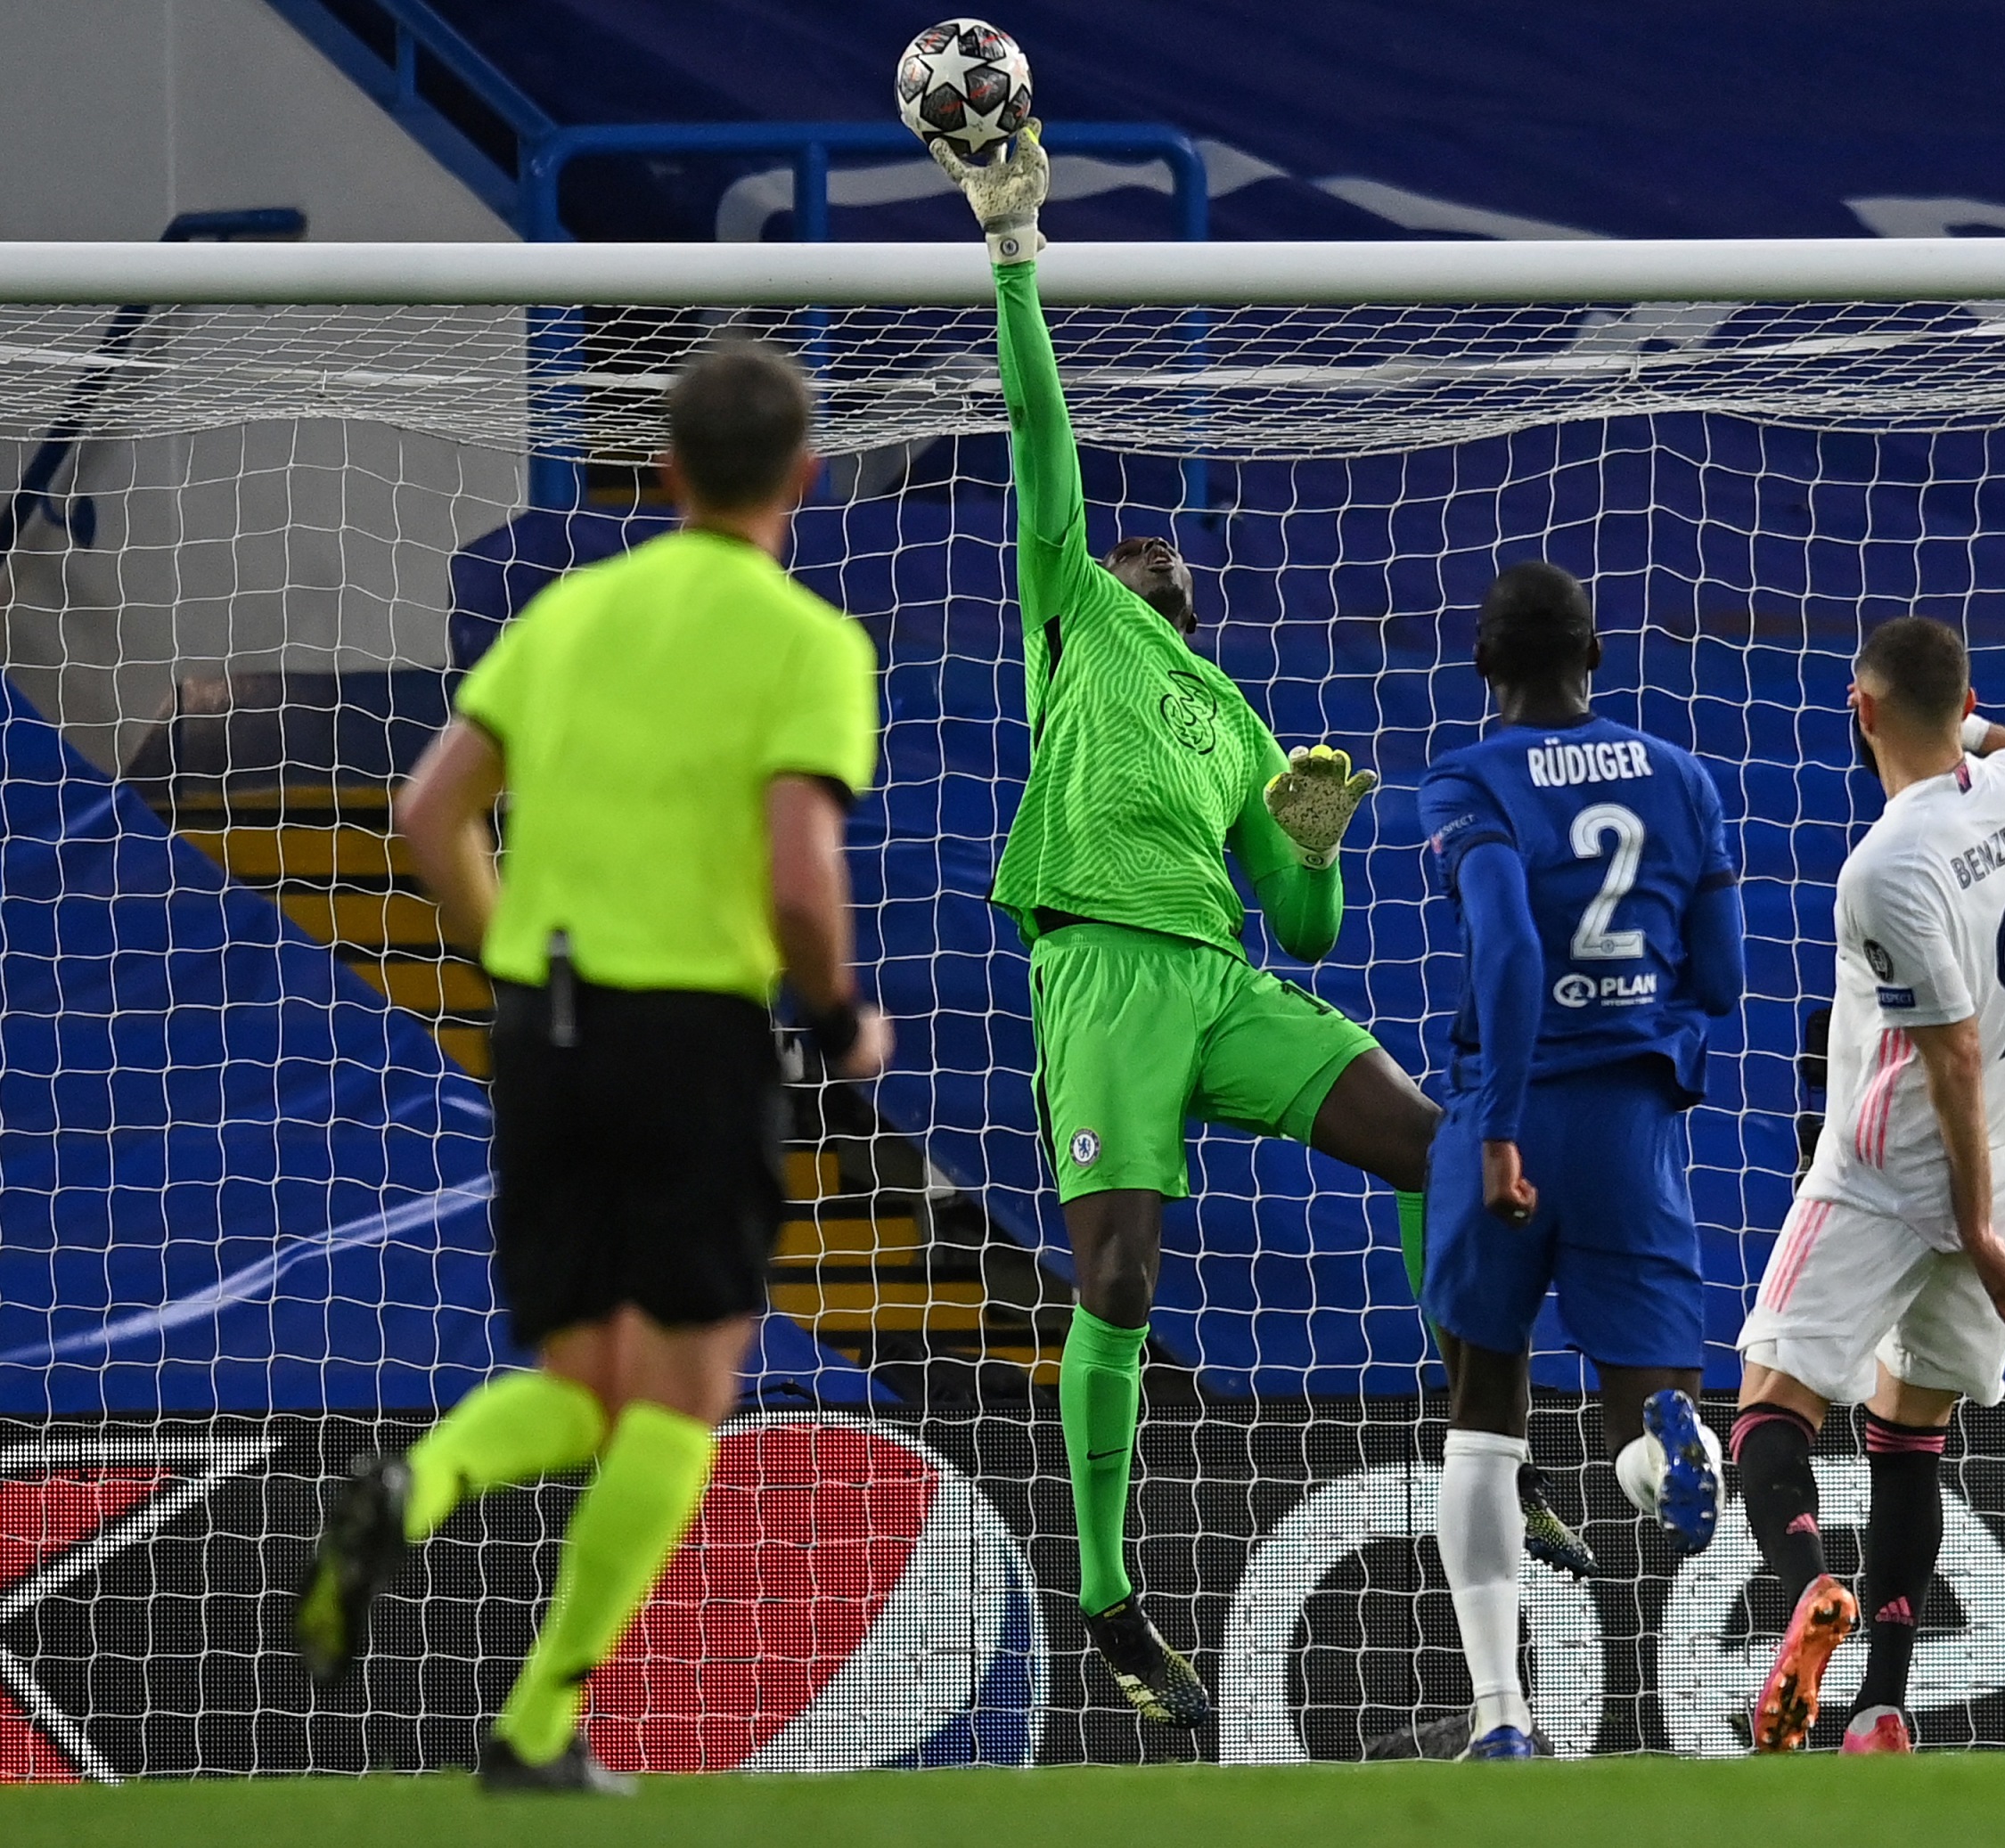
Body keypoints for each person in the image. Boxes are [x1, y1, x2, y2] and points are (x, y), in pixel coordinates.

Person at [292, 340, 886, 1793]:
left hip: (547, 1030)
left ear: (665, 470)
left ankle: (415, 1480)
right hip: (693, 1030)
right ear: (801, 477)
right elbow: (803, 880)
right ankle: (540, 1724)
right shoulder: (806, 639)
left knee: (588, 1379)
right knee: (681, 1398)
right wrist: (842, 1013)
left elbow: (432, 810)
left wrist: (510, 963)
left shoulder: (570, 612)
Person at [939, 127, 1442, 1729]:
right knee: (1125, 1272)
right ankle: (1104, 1591)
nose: (1143, 549)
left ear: (1196, 605)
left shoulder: (1238, 720)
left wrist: (1313, 842)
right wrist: (1016, 255)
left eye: (1167, 559)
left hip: (1221, 982)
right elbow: (1039, 429)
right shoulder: (1073, 607)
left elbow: (1305, 930)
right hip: (1099, 968)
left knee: (1431, 1140)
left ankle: (1474, 1428)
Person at [1413, 560, 1747, 1760]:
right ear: (1594, 656)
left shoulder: (1466, 781)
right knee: (1655, 1409)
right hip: (1632, 1124)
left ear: (1486, 671)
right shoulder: (1684, 778)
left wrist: (1500, 1124)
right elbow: (1722, 979)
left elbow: (1503, 944)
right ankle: (1670, 1450)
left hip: (1511, 1114)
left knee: (1483, 1419)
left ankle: (1504, 1715)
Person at [1728, 617, 2005, 1757]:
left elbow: (1950, 1049)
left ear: (1860, 712)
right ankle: (1880, 1701)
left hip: (1889, 1178)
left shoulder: (1885, 866)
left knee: (1769, 1408)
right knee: (1908, 1434)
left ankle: (1813, 1585)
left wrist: (1966, 1226)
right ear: (1964, 703)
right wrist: (1974, 726)